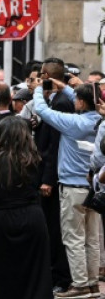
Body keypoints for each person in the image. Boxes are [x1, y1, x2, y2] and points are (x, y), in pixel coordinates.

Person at [33, 79, 101, 298]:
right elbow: (85, 101)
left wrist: (37, 88)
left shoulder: (73, 123)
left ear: (80, 102)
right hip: (94, 188)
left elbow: (42, 110)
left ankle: (80, 284)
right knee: (92, 239)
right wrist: (68, 88)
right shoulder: (100, 121)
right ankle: (91, 285)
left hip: (73, 188)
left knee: (73, 239)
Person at [0, 116, 51, 299]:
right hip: (33, 216)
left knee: (3, 270)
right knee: (36, 271)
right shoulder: (35, 158)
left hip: (3, 217)